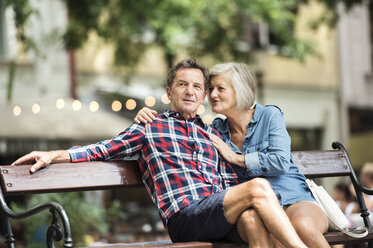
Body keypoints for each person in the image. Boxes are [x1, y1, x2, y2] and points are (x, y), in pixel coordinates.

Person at [13, 58, 307, 248]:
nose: (190, 91)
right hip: (185, 216)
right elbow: (101, 149)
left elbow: (233, 173)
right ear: (169, 92)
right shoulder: (149, 126)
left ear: (204, 96)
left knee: (252, 219)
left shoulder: (212, 132)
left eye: (196, 87)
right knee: (257, 189)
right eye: (182, 85)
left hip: (219, 214)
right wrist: (55, 154)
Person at [135, 62, 329, 248]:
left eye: (220, 88)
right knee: (261, 226)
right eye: (210, 89)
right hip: (253, 205)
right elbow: (185, 133)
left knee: (302, 226)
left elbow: (280, 161)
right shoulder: (214, 130)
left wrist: (236, 158)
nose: (212, 95)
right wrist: (146, 115)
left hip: (292, 197)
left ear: (239, 90)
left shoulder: (269, 116)